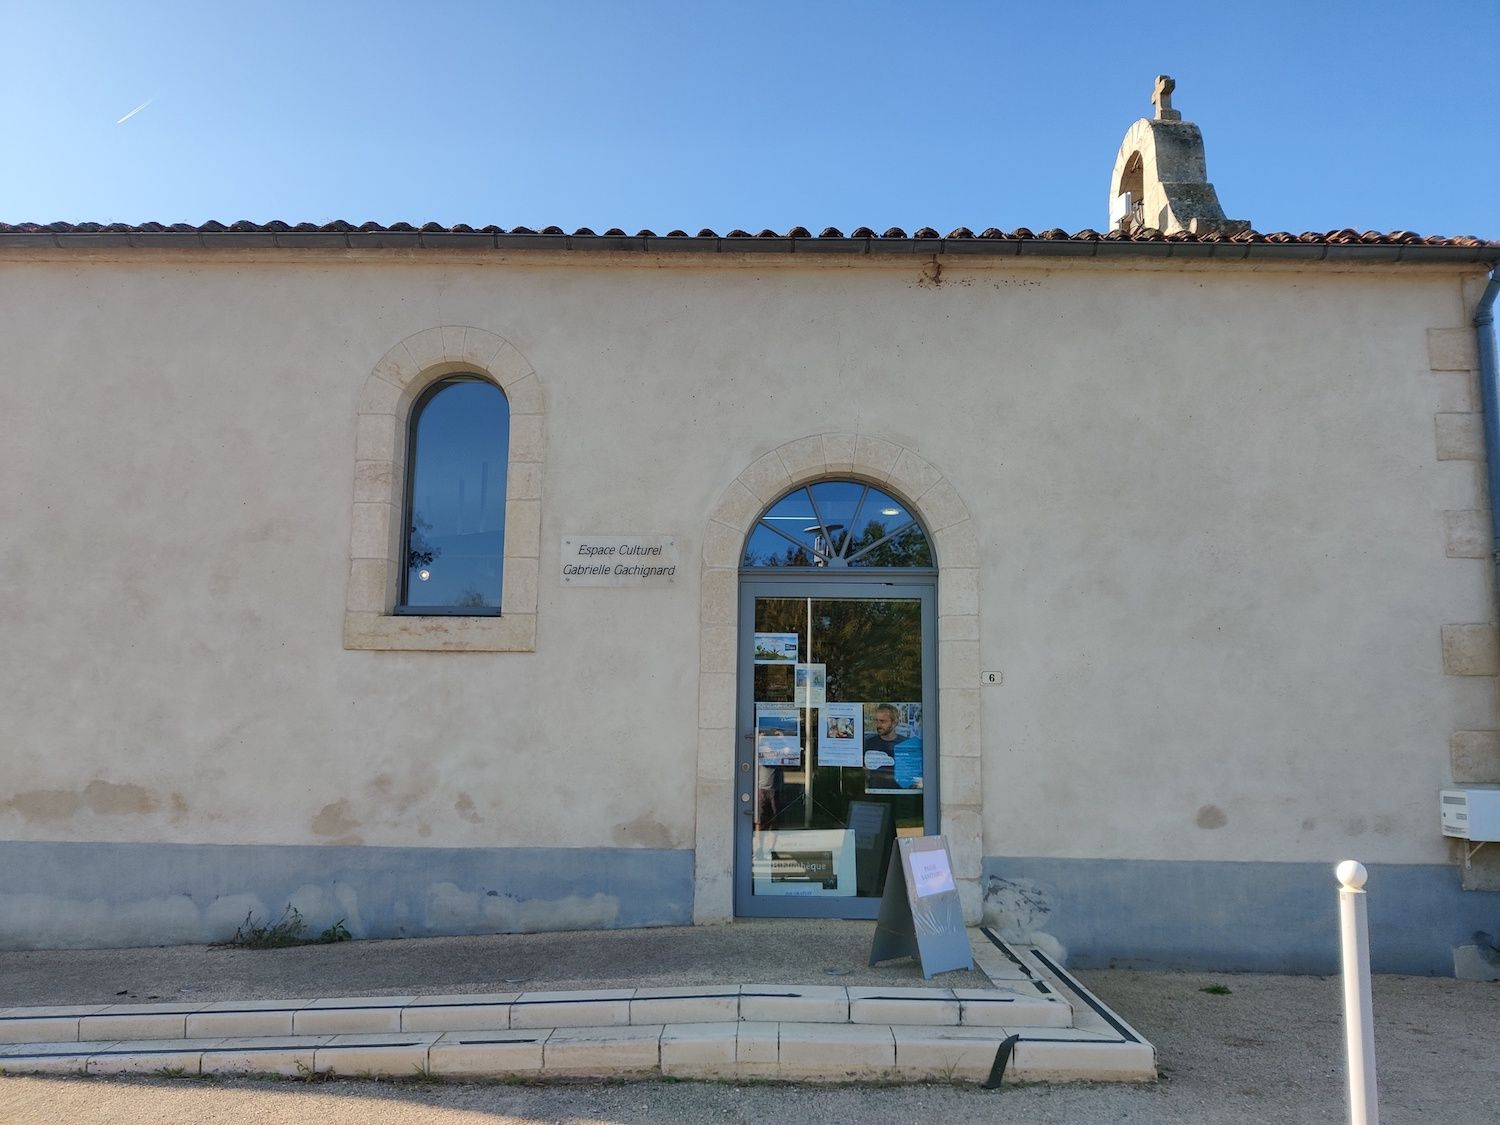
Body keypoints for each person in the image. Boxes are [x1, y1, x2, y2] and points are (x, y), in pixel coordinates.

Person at [863, 703, 901, 790]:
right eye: (876, 721)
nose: (878, 725)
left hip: (902, 793)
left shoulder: (906, 743)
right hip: (874, 792)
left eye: (883, 721)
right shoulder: (868, 743)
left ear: (894, 723)